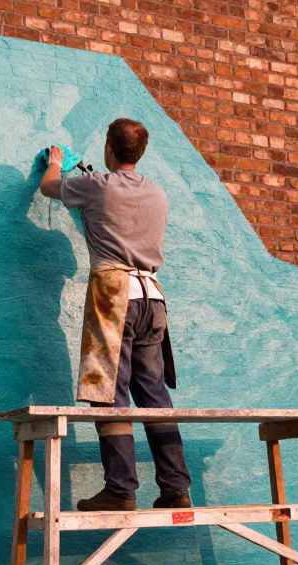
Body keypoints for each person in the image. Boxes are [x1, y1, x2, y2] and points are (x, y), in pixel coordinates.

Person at [39, 118, 191, 511]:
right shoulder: (158, 194)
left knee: (108, 393)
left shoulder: (97, 186)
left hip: (113, 294)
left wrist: (55, 161)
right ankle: (176, 489)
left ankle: (121, 490)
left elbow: (48, 187)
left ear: (109, 147)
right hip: (152, 298)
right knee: (154, 396)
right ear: (139, 153)